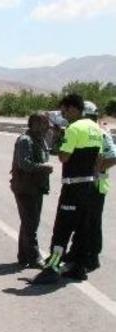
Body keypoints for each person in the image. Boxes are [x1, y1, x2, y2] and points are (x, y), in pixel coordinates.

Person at [33, 94, 104, 284]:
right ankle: (79, 269)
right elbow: (98, 159)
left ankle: (52, 269)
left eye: (64, 110)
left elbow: (64, 156)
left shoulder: (74, 128)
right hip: (90, 186)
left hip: (73, 188)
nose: (63, 114)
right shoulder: (96, 128)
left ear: (73, 108)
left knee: (61, 231)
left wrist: (59, 138)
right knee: (83, 230)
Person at [65, 101, 116, 271]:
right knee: (80, 222)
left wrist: (94, 169)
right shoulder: (84, 131)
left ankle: (91, 258)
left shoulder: (100, 133)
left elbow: (113, 156)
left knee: (91, 223)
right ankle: (75, 252)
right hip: (82, 185)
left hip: (95, 186)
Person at [11, 112, 54, 268]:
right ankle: (35, 258)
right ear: (34, 123)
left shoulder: (40, 139)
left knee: (29, 222)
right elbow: (25, 164)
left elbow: (52, 150)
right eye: (44, 123)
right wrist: (44, 167)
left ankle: (23, 256)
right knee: (31, 224)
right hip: (25, 188)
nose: (47, 126)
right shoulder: (25, 140)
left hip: (35, 187)